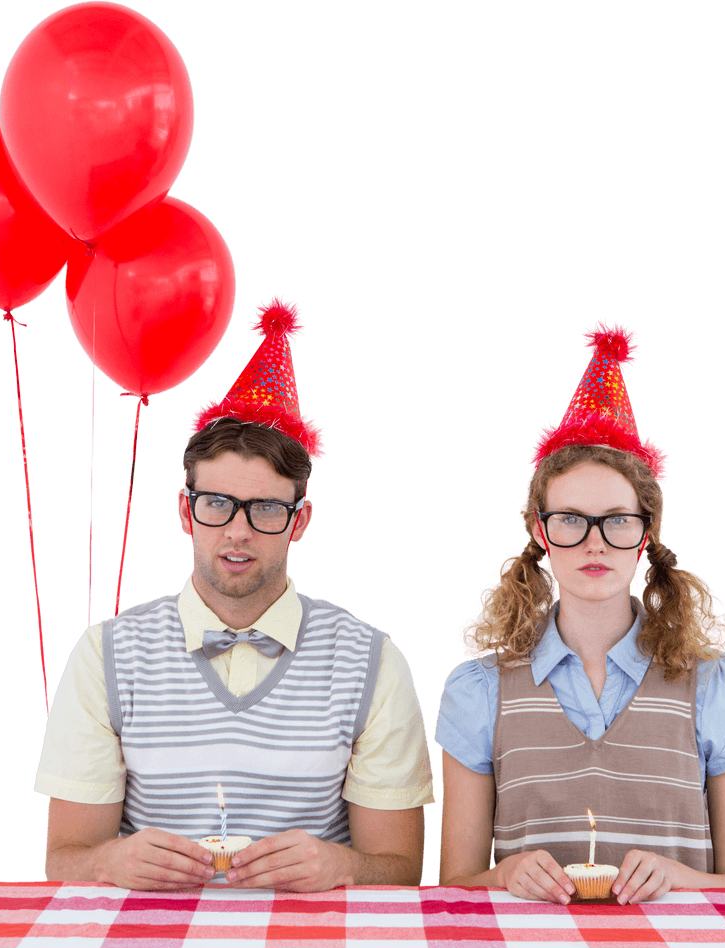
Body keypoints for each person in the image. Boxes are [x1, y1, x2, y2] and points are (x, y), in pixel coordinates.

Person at [36, 296, 433, 891]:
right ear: (185, 512)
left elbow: (400, 872)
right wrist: (107, 862)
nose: (238, 530)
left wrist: (343, 865)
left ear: (299, 521)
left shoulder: (371, 661)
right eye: (217, 503)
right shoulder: (107, 654)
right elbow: (62, 859)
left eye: (266, 508)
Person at [435, 319, 725, 905]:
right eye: (570, 520)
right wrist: (506, 875)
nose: (594, 543)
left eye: (617, 520)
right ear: (541, 534)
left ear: (644, 540)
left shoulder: (716, 685)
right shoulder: (477, 690)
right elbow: (456, 888)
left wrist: (678, 877)